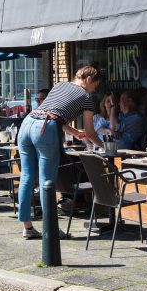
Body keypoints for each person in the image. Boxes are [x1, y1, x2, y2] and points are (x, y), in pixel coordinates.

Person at [16, 66, 101, 240]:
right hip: (44, 129)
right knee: (47, 181)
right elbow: (90, 131)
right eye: (95, 86)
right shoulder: (86, 97)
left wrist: (73, 132)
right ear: (89, 80)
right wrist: (104, 146)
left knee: (26, 176)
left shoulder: (60, 85)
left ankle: (27, 227)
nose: (93, 90)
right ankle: (51, 229)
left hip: (27, 124)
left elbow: (51, 113)